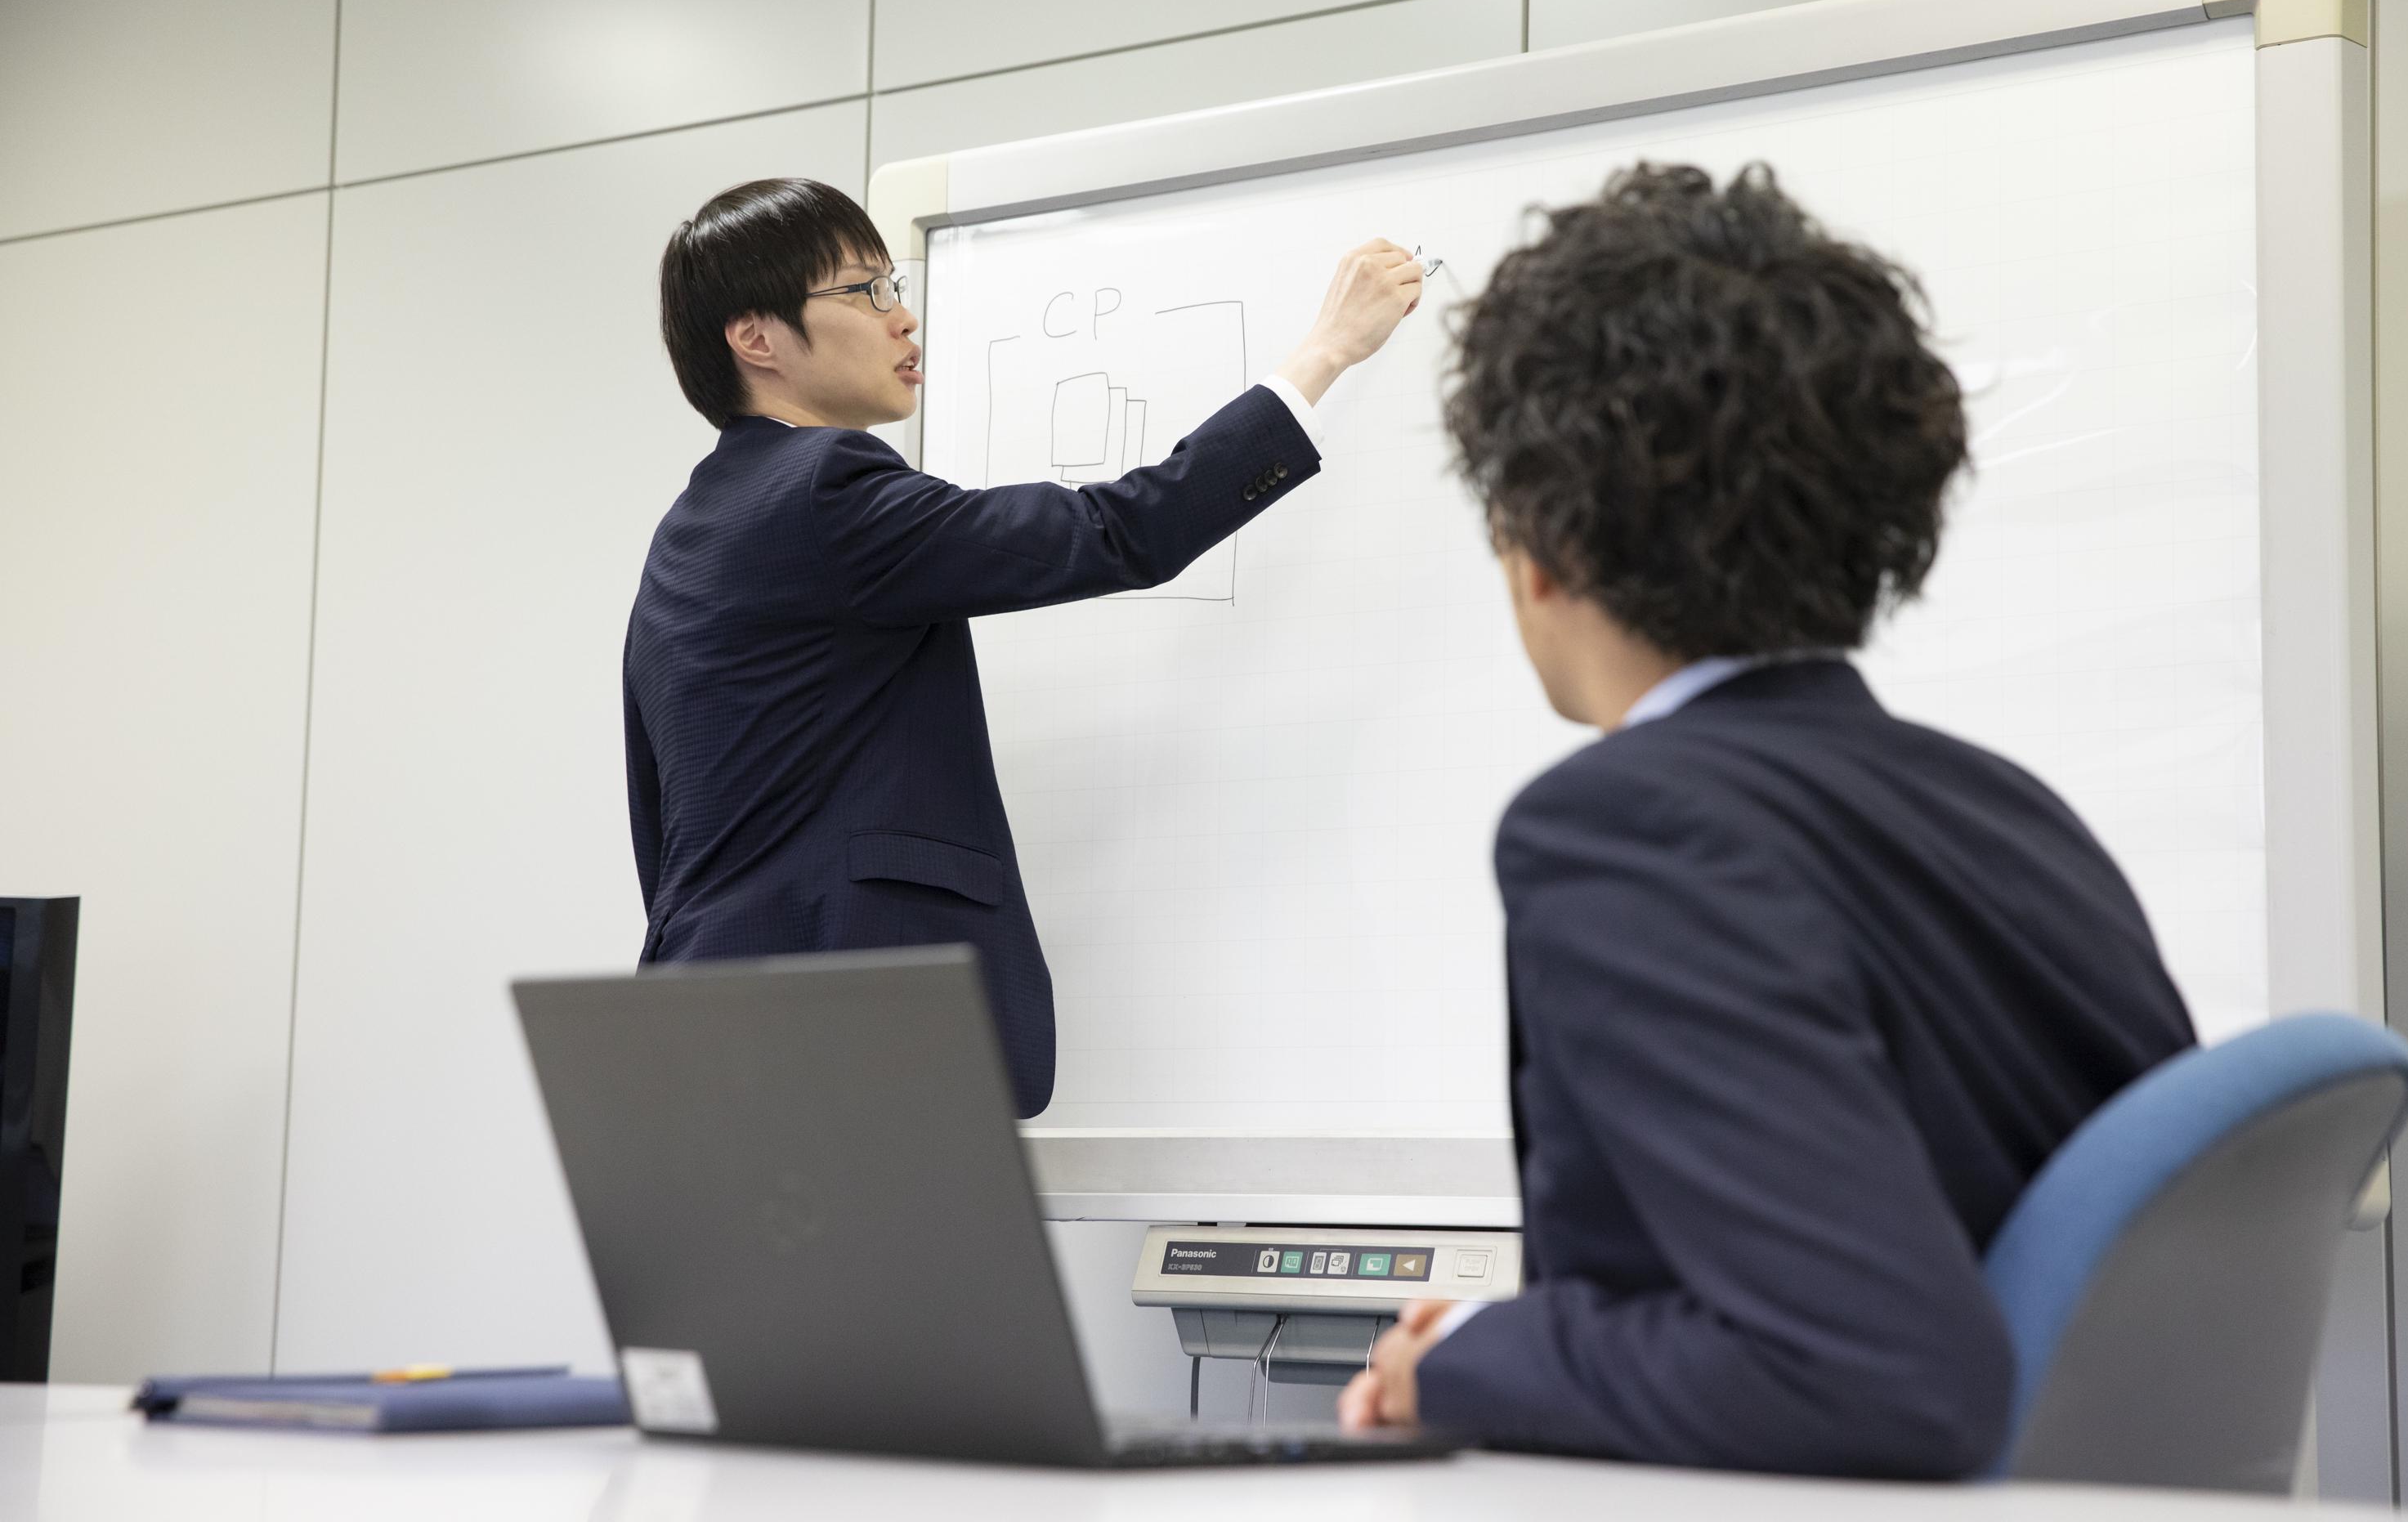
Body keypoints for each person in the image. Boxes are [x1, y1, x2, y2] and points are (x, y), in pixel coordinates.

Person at [1335, 163, 2196, 1476]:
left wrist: (1457, 1360)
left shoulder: (1625, 826)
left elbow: (1881, 1376)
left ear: (1539, 542)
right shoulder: (2011, 812)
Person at [625, 178, 1420, 1118]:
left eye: (895, 286)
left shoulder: (684, 533)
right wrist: (1327, 351)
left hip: (705, 1026)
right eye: (866, 291)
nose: (903, 317)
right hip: (851, 1032)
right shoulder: (824, 489)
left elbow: (664, 829)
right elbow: (1121, 530)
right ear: (756, 337)